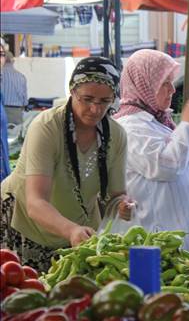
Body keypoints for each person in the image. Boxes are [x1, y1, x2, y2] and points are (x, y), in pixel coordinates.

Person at [1, 57, 133, 272]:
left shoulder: (116, 135)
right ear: (72, 91)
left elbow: (115, 195)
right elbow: (35, 203)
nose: (94, 109)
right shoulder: (46, 127)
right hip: (27, 222)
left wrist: (123, 205)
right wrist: (70, 230)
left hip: (78, 228)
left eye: (104, 101)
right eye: (87, 99)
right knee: (30, 293)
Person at [113, 50, 189, 266]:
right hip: (158, 236)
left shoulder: (158, 121)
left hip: (180, 235)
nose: (172, 89)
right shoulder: (130, 127)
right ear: (144, 84)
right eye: (165, 83)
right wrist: (188, 123)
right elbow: (165, 166)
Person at [1, 46, 28, 125]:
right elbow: (25, 101)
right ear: (13, 61)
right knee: (16, 136)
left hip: (2, 111)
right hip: (17, 113)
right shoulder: (21, 77)